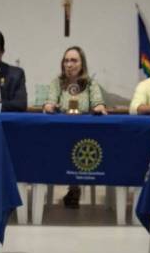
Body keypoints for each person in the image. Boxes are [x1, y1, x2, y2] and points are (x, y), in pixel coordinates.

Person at [43, 46, 107, 208]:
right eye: (66, 61)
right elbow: (49, 102)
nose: (69, 64)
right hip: (61, 132)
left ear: (82, 64)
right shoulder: (57, 82)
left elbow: (99, 104)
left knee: (80, 145)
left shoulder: (91, 83)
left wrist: (99, 108)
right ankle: (73, 186)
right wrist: (50, 106)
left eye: (74, 60)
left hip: (85, 132)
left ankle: (74, 186)